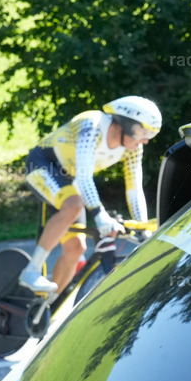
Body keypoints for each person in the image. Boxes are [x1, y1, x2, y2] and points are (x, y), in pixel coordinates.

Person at [18, 96, 162, 294]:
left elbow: (134, 188)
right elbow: (84, 177)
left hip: (71, 180)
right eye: (143, 131)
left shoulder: (133, 149)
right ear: (126, 124)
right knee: (74, 204)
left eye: (151, 134)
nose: (145, 139)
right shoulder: (92, 124)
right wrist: (100, 214)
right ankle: (31, 271)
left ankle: (45, 307)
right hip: (45, 164)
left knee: (76, 249)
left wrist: (142, 226)